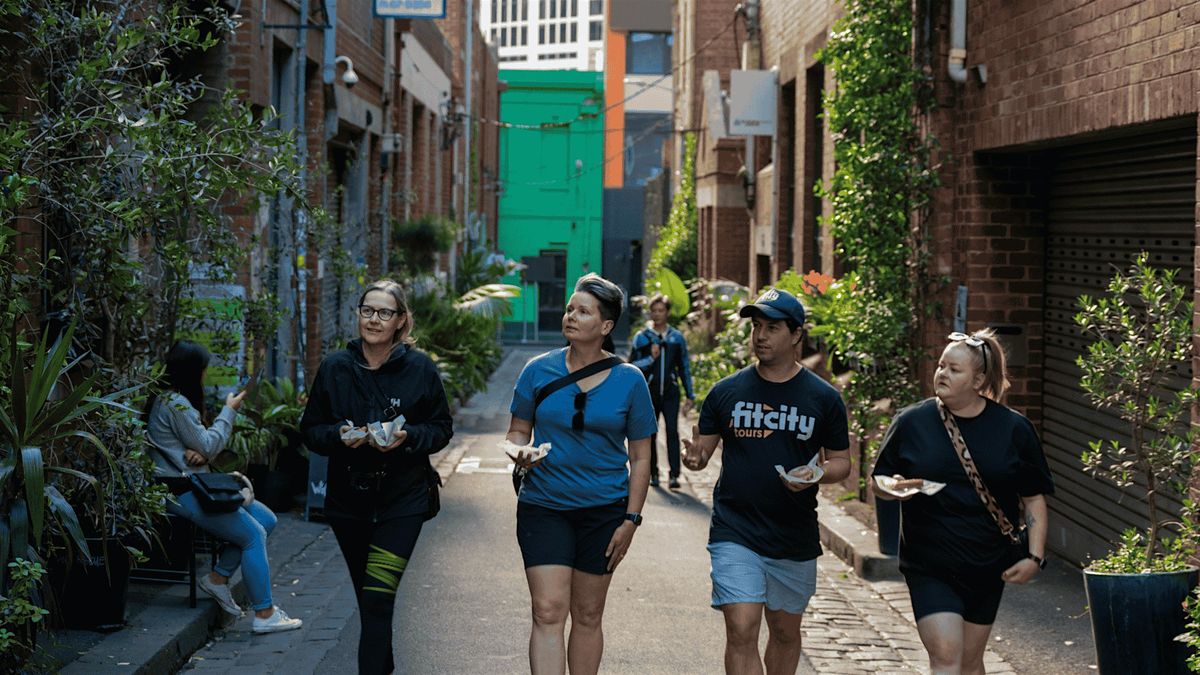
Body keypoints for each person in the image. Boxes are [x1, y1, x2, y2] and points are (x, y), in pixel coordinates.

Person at [682, 287, 851, 675]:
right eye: (756, 326)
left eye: (771, 327)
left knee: (785, 632)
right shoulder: (726, 392)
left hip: (793, 533)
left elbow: (842, 463)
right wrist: (694, 458)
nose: (759, 336)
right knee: (741, 629)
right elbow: (702, 451)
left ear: (795, 335)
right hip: (735, 528)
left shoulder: (823, 398)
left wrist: (816, 476)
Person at [871, 329, 1053, 675]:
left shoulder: (1014, 429)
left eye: (954, 369)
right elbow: (880, 480)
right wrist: (891, 487)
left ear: (978, 379)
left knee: (969, 663)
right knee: (946, 655)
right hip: (928, 563)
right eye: (941, 366)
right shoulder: (912, 422)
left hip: (986, 565)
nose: (942, 374)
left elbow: (1033, 499)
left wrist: (1035, 557)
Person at [300, 279, 453, 675]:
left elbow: (440, 428)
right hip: (348, 504)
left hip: (402, 502)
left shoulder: (419, 369)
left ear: (401, 321)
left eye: (385, 312)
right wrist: (338, 435)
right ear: (358, 315)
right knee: (370, 600)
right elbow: (311, 430)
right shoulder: (336, 367)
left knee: (378, 599)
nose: (374, 319)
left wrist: (407, 438)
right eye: (368, 310)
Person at [506, 273, 657, 675]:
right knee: (547, 610)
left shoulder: (630, 381)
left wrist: (631, 519)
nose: (570, 316)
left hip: (604, 511)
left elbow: (641, 457)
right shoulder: (537, 370)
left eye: (583, 311)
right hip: (544, 505)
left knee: (588, 613)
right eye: (570, 309)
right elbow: (518, 428)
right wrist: (521, 451)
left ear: (605, 326)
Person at [145, 341, 302, 634]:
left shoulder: (172, 401)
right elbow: (208, 443)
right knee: (253, 534)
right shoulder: (176, 403)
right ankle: (265, 614)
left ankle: (217, 579)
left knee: (266, 519)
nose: (205, 376)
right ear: (194, 372)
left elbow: (202, 447)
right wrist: (228, 412)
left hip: (194, 483)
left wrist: (202, 453)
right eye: (204, 370)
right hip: (181, 490)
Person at [629, 293, 695, 489]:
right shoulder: (642, 337)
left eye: (661, 311)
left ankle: (674, 475)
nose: (657, 314)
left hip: (671, 392)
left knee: (673, 432)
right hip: (648, 392)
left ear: (667, 312)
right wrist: (651, 359)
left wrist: (690, 395)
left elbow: (684, 366)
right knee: (650, 434)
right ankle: (654, 473)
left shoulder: (676, 338)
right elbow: (632, 366)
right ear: (650, 313)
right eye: (654, 311)